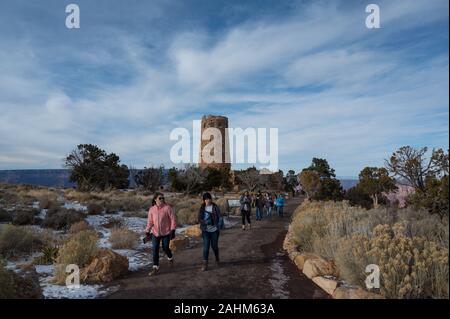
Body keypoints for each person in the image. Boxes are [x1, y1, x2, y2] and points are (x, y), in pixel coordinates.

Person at [145, 192, 177, 276]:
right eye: (160, 198)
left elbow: (173, 219)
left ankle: (170, 258)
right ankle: (155, 267)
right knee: (155, 249)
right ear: (155, 199)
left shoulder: (167, 208)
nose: (162, 199)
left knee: (165, 248)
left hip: (166, 232)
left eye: (163, 198)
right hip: (155, 233)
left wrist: (173, 230)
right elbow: (150, 221)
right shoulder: (152, 209)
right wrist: (147, 231)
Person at [198, 192, 222, 271]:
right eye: (206, 199)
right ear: (204, 200)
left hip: (214, 230)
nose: (208, 200)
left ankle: (217, 258)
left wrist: (218, 225)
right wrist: (205, 222)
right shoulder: (202, 208)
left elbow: (220, 217)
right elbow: (199, 219)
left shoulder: (215, 207)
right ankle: (205, 264)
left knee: (214, 246)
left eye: (209, 199)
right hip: (205, 231)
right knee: (206, 247)